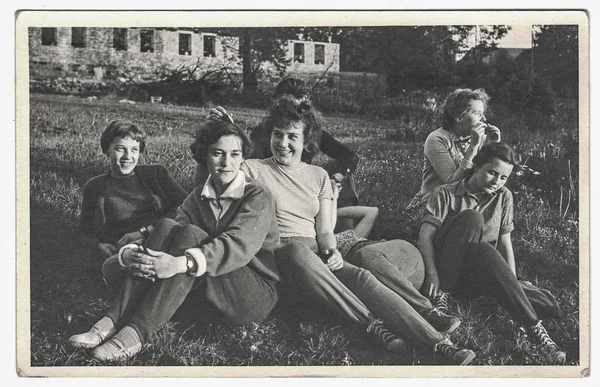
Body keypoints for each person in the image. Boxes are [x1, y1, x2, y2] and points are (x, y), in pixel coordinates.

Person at [242, 95, 475, 365]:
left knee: (363, 278)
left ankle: (440, 344)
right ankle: (372, 324)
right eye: (277, 135)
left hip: (315, 254)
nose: (283, 144)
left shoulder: (318, 176)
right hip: (279, 259)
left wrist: (331, 251)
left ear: (306, 139)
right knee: (296, 250)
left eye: (292, 136)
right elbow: (220, 182)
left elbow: (324, 231)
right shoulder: (253, 170)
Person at [68, 120, 281, 361]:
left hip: (251, 295)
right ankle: (113, 319)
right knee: (168, 225)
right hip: (210, 287)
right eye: (218, 153)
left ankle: (136, 334)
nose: (226, 162)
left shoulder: (257, 194)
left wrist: (179, 264)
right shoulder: (198, 195)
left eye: (235, 154)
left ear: (243, 158)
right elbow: (166, 235)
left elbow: (238, 245)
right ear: (205, 157)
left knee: (190, 235)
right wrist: (132, 253)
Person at [415, 142, 566, 364]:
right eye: (492, 173)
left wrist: (512, 281)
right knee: (472, 218)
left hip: (475, 272)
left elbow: (505, 242)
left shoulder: (504, 197)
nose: (497, 182)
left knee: (486, 249)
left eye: (503, 178)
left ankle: (535, 329)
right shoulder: (446, 193)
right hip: (444, 267)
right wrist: (433, 275)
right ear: (476, 166)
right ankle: (442, 299)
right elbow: (424, 237)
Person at [195, 77, 361, 220]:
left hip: (305, 184)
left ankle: (342, 226)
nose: (291, 115)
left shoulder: (312, 131)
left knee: (337, 174)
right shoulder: (265, 131)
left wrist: (337, 178)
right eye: (286, 107)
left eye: (299, 108)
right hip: (277, 187)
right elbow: (247, 158)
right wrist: (232, 130)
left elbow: (350, 157)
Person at [79, 120, 187, 287]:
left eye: (134, 150)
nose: (128, 156)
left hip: (161, 238)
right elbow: (84, 231)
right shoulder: (95, 187)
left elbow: (185, 205)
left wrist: (144, 231)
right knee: (114, 266)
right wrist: (99, 245)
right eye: (120, 149)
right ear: (107, 149)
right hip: (126, 251)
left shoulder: (156, 174)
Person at [331, 201, 461, 335]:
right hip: (386, 282)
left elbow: (372, 211)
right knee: (368, 283)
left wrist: (328, 211)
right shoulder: (316, 243)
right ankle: (420, 321)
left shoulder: (351, 234)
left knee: (363, 255)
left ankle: (427, 311)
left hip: (402, 258)